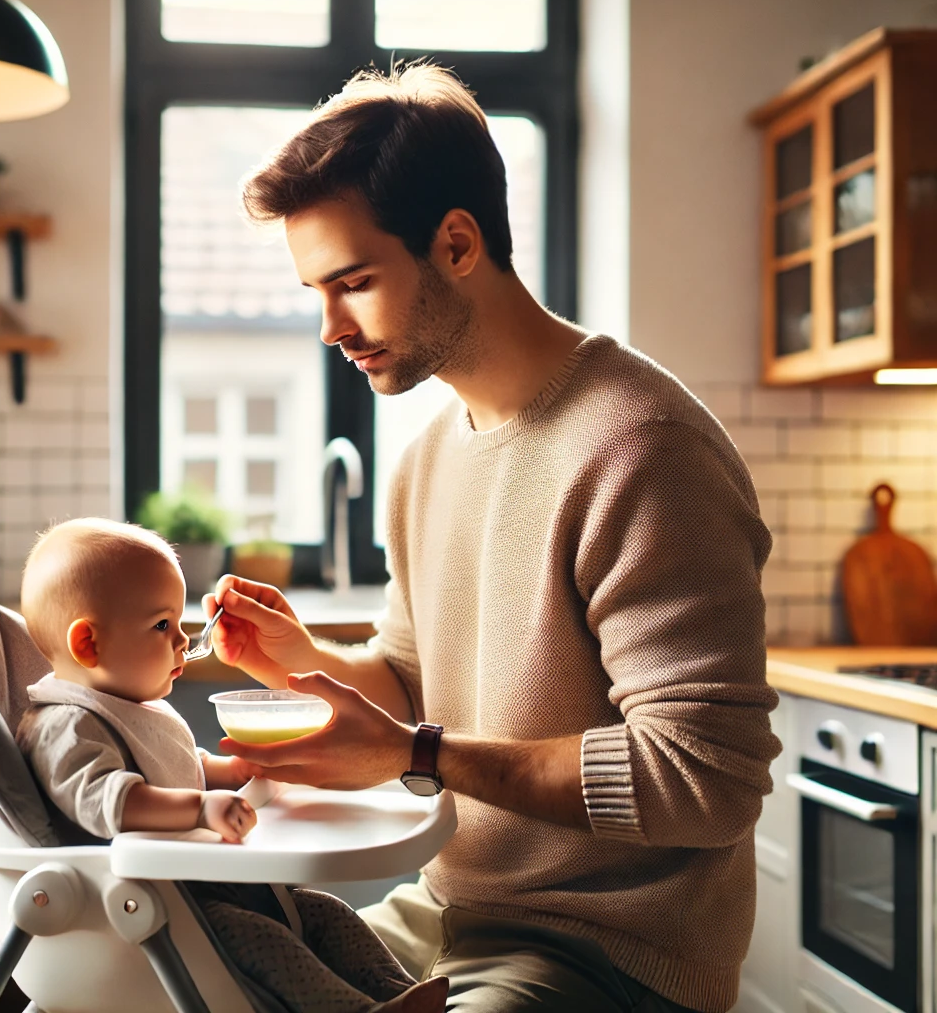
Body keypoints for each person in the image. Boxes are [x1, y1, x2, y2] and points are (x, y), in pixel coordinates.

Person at [202, 61, 783, 1013]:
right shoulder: (427, 457)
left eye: (353, 283)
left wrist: (417, 754)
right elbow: (412, 685)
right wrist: (301, 659)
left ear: (459, 244)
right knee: (186, 956)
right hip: (447, 912)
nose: (328, 327)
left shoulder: (642, 451)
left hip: (607, 957)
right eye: (317, 290)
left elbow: (702, 780)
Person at [15, 517, 448, 1013]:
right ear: (88, 644)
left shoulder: (129, 707)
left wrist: (228, 772)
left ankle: (397, 996)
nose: (182, 640)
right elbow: (115, 801)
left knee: (323, 914)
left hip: (195, 891)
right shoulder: (67, 727)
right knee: (267, 942)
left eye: (179, 623)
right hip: (140, 918)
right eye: (162, 625)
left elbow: (175, 767)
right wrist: (201, 810)